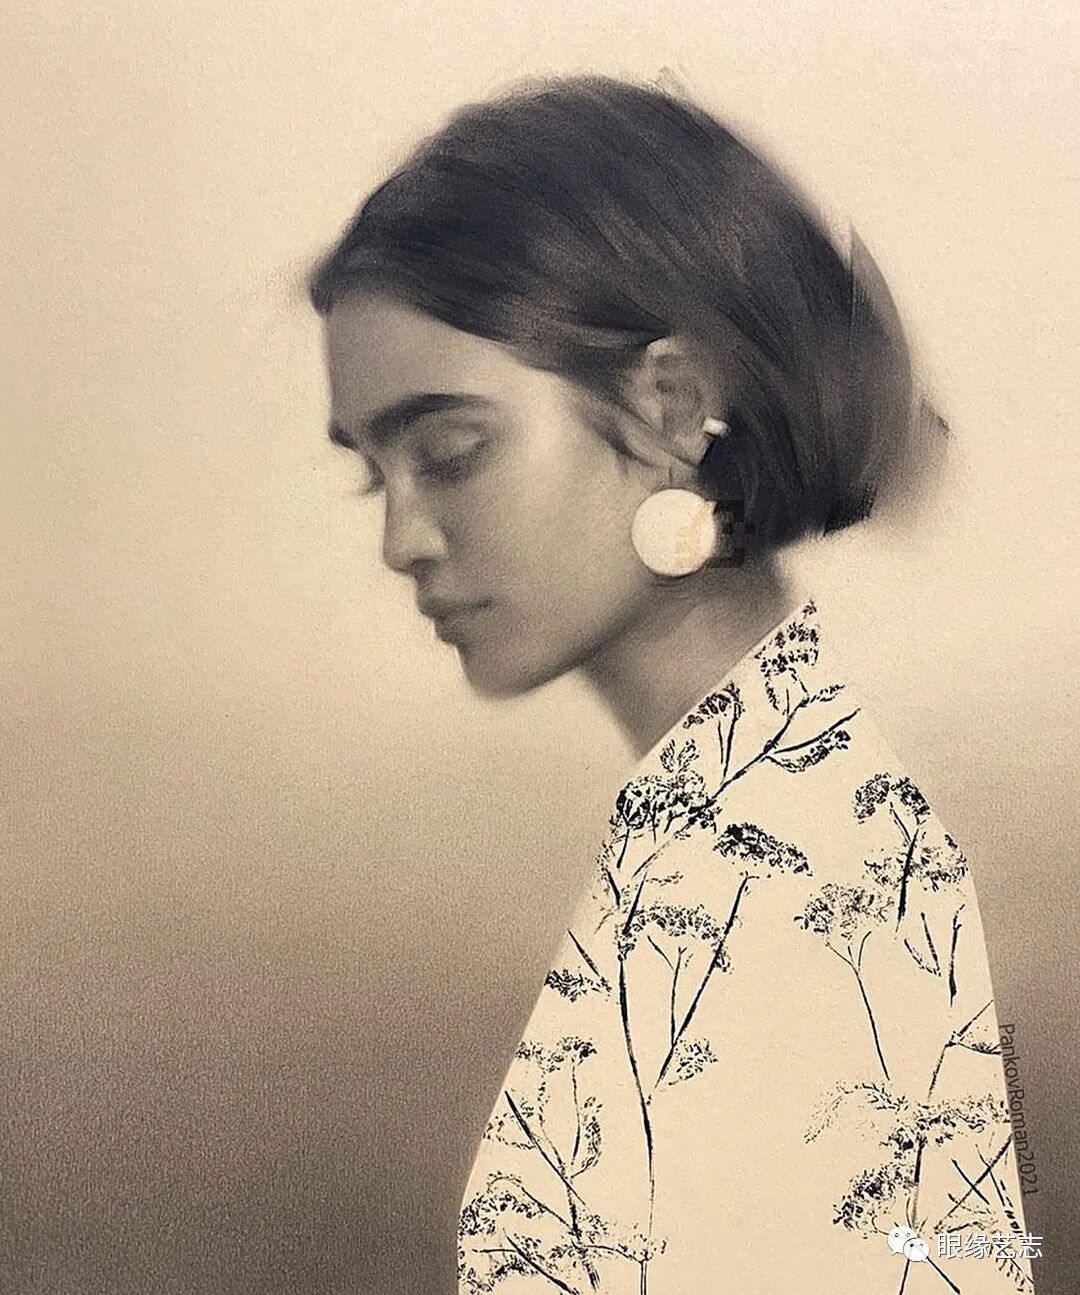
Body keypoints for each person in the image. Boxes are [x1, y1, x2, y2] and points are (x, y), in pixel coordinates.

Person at [307, 74, 1036, 1294]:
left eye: (450, 452)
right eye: (373, 473)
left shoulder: (791, 879)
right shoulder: (728, 820)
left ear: (673, 406)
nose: (402, 539)